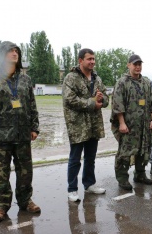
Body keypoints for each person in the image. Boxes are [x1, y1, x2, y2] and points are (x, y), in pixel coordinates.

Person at [0, 41, 41, 222]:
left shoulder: (25, 79)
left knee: (25, 172)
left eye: (17, 51)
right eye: (11, 51)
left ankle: (25, 201)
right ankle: (1, 206)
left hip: (22, 135)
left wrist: (34, 127)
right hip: (0, 137)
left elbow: (32, 105)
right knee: (1, 173)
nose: (15, 54)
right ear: (2, 55)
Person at [62, 48, 108, 202]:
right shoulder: (71, 78)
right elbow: (70, 100)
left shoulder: (97, 78)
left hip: (94, 124)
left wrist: (101, 100)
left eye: (93, 59)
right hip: (78, 125)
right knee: (75, 158)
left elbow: (106, 98)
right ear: (80, 60)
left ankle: (89, 184)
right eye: (89, 59)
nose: (92, 62)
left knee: (90, 157)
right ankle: (72, 189)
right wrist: (92, 103)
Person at [111, 54, 152, 190]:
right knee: (125, 152)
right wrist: (121, 123)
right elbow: (117, 104)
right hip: (129, 125)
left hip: (144, 125)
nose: (138, 67)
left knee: (143, 150)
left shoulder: (146, 82)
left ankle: (140, 174)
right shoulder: (122, 82)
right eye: (135, 64)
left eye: (139, 64)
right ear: (129, 65)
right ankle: (122, 178)